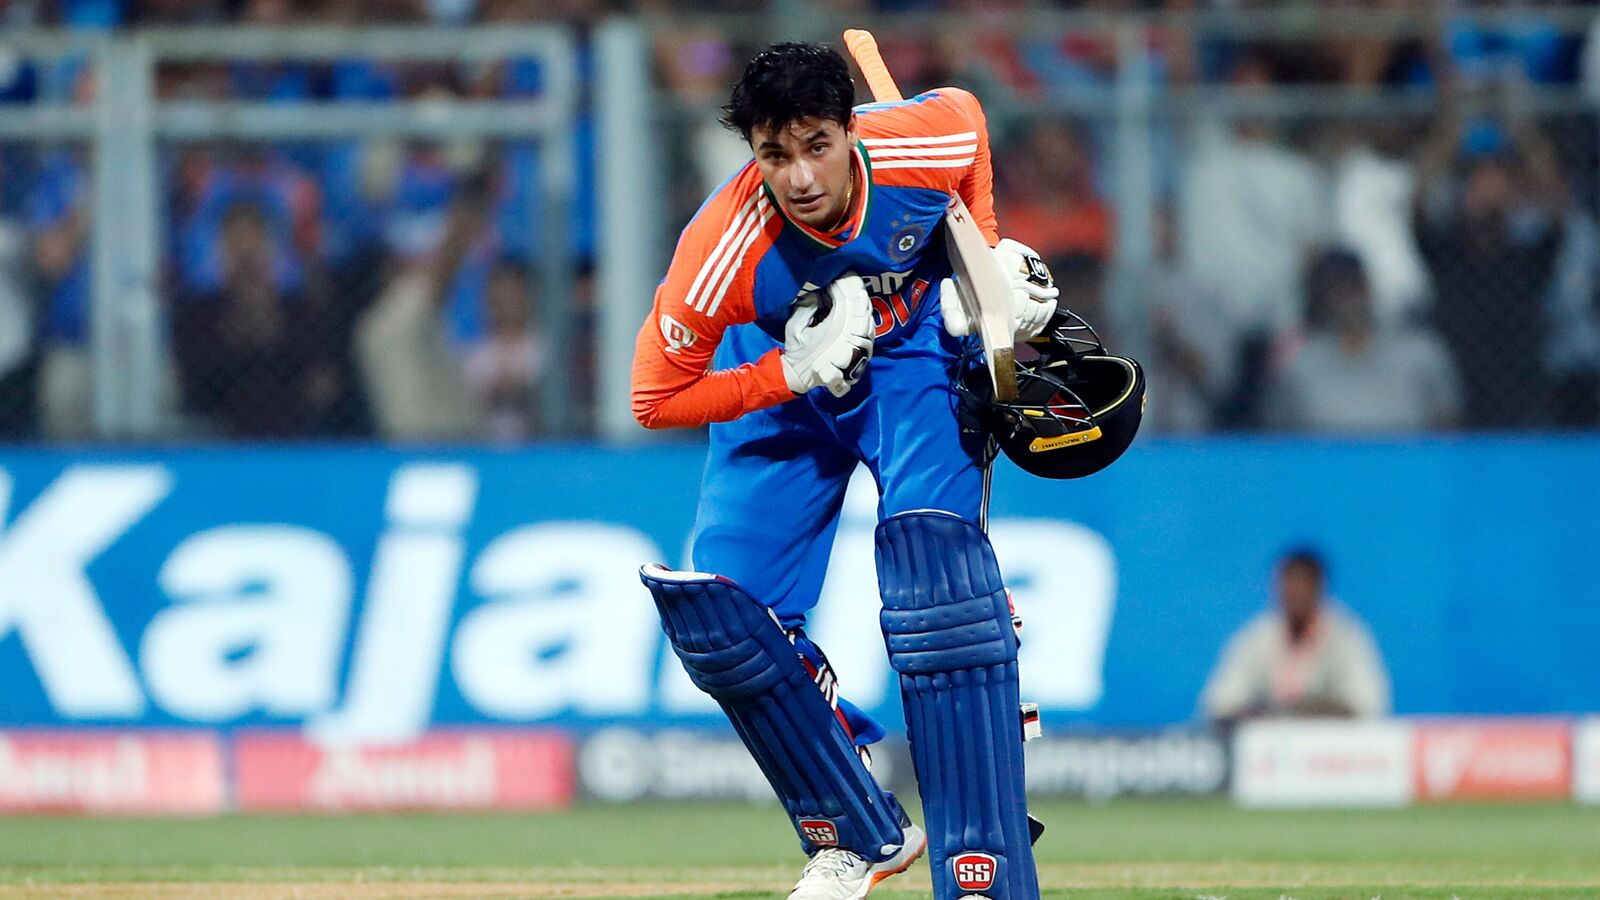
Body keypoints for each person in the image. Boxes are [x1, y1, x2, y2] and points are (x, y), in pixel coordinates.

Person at [630, 42, 1061, 900]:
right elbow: (653, 399)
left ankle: (985, 873)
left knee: (937, 582)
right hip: (781, 382)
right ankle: (860, 833)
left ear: (850, 131)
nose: (797, 175)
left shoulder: (917, 141)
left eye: (816, 144)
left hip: (909, 367)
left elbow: (968, 126)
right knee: (724, 618)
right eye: (773, 154)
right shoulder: (722, 243)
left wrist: (987, 264)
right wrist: (786, 374)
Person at [1264, 248, 1461, 433]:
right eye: (1337, 289)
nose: (1348, 297)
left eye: (1354, 286)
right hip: (1325, 468)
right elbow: (1278, 438)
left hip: (1409, 467)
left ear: (1369, 288)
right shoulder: (1299, 365)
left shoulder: (1420, 353)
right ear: (1322, 296)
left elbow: (1449, 425)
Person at [1201, 547, 1391, 724]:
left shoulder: (1347, 637)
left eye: (1304, 583)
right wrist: (1262, 712)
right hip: (1266, 751)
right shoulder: (1257, 637)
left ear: (1319, 587)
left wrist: (1303, 711)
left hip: (1332, 751)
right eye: (1289, 584)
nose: (1296, 592)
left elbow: (1368, 704)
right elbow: (1219, 704)